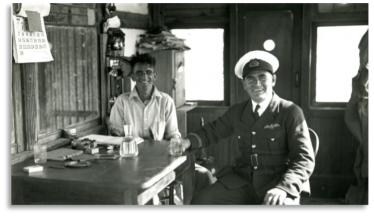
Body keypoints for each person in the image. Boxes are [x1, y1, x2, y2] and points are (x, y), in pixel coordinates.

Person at [168, 50, 315, 205]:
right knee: (201, 202)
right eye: (250, 79)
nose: (256, 84)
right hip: (242, 180)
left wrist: (284, 188)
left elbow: (304, 159)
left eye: (262, 77)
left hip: (277, 182)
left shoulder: (290, 111)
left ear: (273, 80)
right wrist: (187, 142)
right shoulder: (237, 111)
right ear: (244, 84)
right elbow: (212, 131)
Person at [109, 52, 215, 204]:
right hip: (132, 166)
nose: (144, 77)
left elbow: (173, 135)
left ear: (155, 76)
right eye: (139, 72)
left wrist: (174, 144)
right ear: (132, 76)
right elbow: (114, 137)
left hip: (162, 162)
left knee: (204, 175)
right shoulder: (122, 102)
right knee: (148, 195)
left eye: (148, 72)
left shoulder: (166, 101)